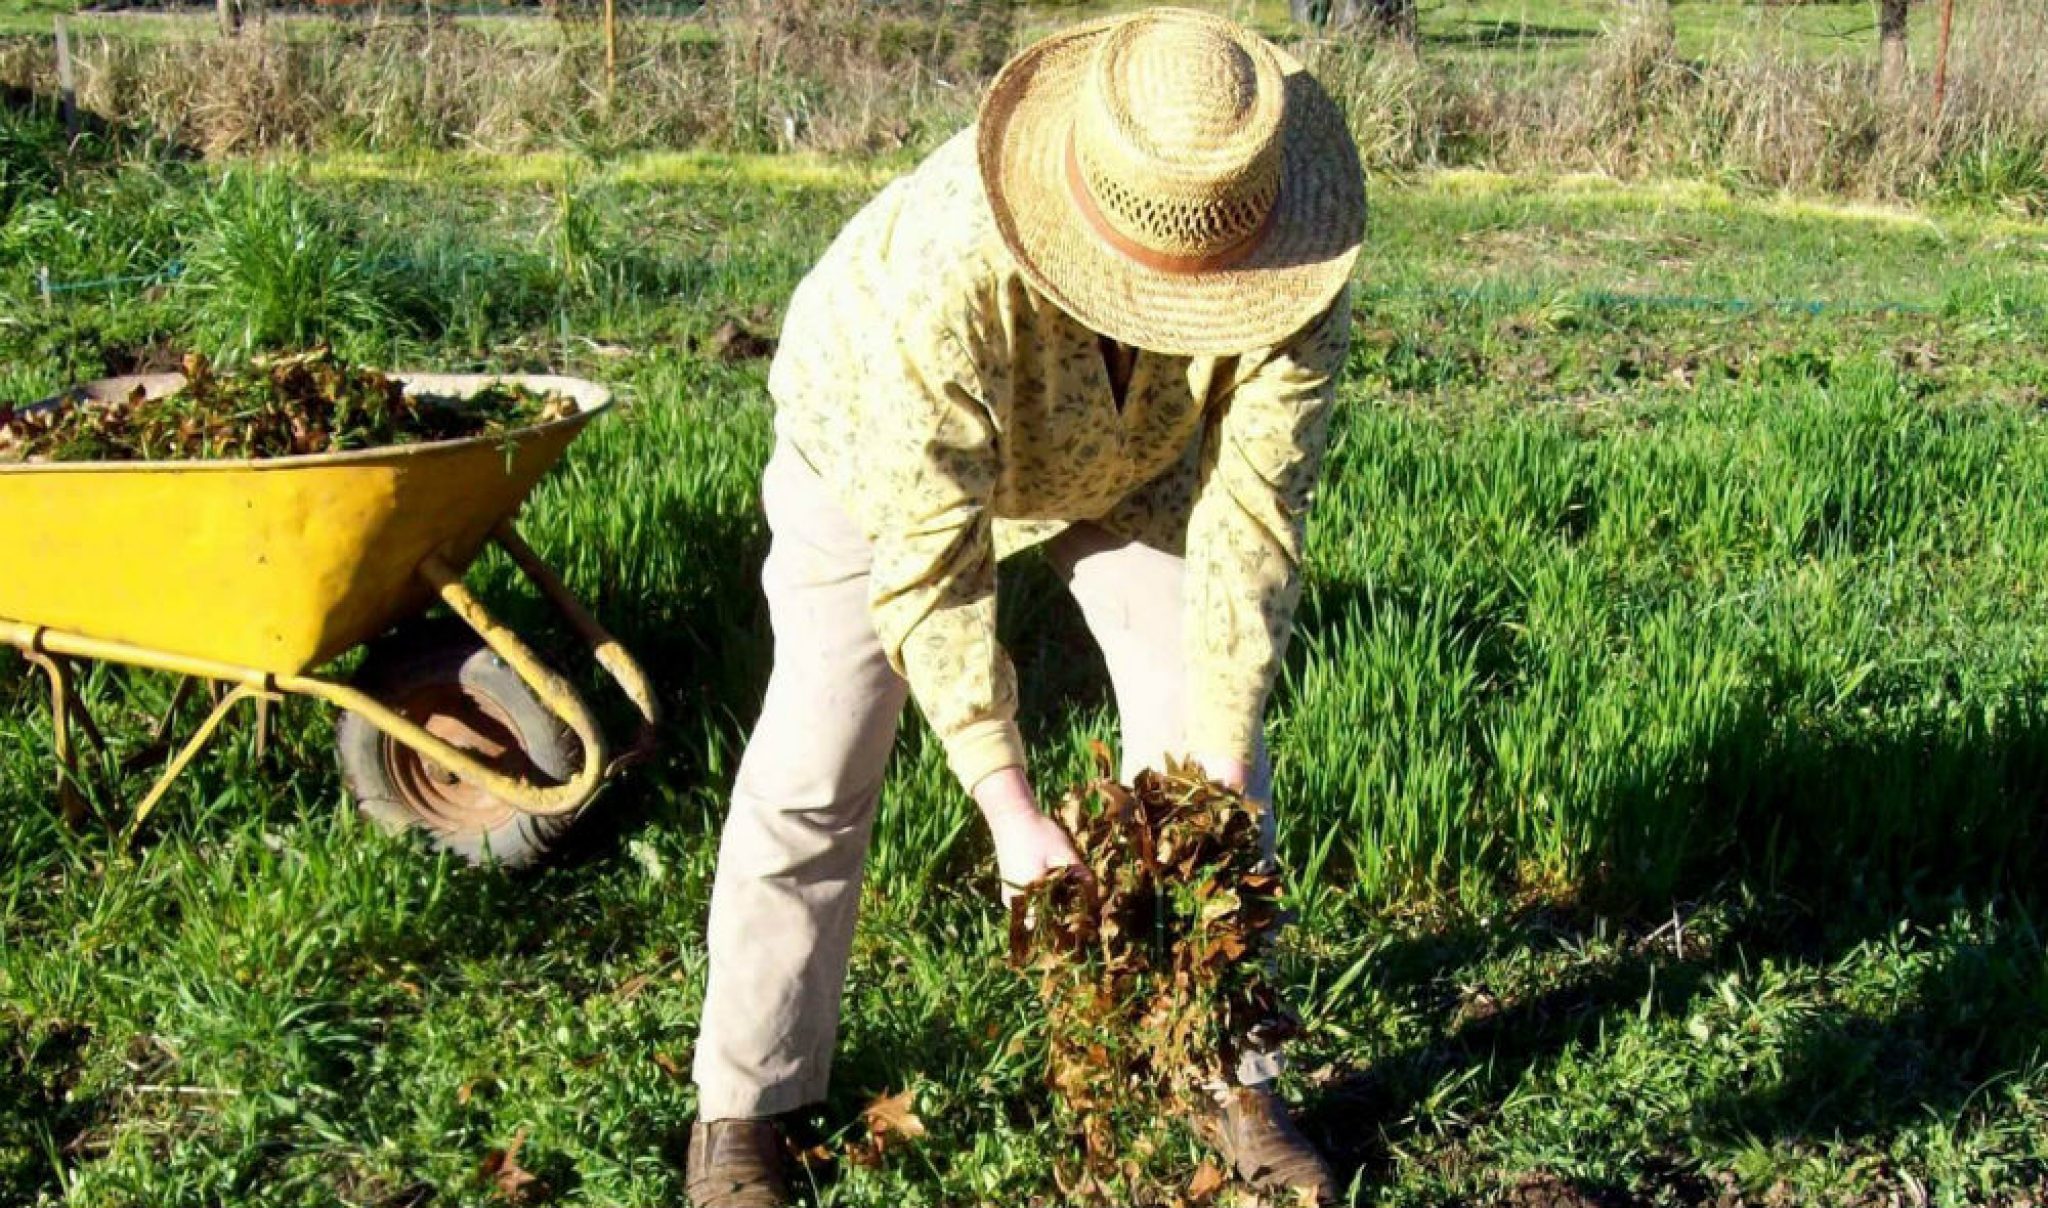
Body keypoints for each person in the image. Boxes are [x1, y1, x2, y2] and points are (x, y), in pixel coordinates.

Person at [686, 8, 1366, 1206]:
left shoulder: (1289, 258)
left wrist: (1205, 773)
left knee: (1222, 760)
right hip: (879, 455)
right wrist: (1006, 807)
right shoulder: (933, 284)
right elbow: (930, 571)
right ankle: (747, 1104)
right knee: (818, 753)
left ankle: (1222, 1065)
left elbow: (1252, 524)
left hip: (1132, 462)